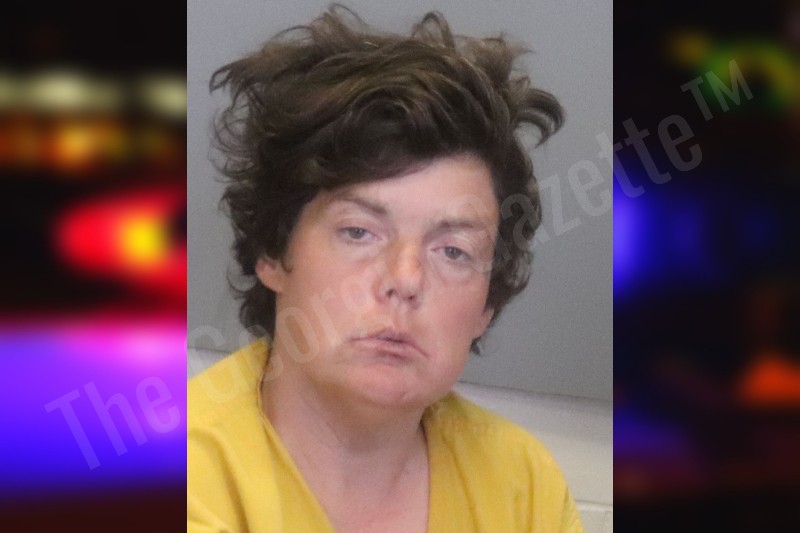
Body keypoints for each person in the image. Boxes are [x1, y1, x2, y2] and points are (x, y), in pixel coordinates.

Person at [188, 5, 583, 532]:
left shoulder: (524, 486)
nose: (406, 279)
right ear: (273, 252)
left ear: (486, 306)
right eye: (359, 232)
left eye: (453, 251)